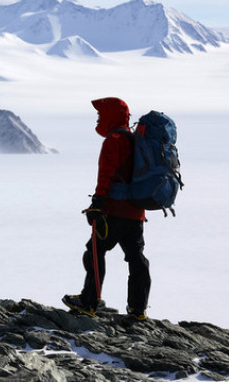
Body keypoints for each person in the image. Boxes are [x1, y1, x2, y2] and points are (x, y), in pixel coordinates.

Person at [63, 97, 151, 321]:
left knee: (94, 250)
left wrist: (97, 203)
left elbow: (107, 174)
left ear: (111, 116)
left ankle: (89, 301)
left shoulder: (114, 139)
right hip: (136, 211)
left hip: (114, 209)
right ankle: (138, 309)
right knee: (136, 258)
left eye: (102, 114)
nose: (99, 118)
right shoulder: (135, 140)